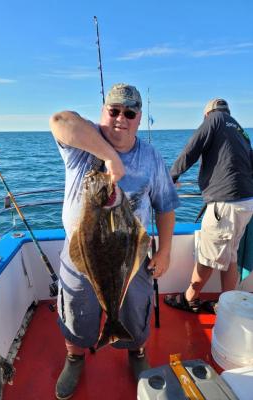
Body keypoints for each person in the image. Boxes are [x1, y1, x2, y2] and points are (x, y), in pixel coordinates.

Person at [50, 83, 179, 400]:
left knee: (135, 310)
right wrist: (109, 157)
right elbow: (59, 119)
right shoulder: (83, 145)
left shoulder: (150, 157)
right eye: (114, 110)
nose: (121, 118)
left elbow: (165, 205)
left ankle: (135, 352)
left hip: (131, 255)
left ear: (138, 118)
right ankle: (75, 357)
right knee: (77, 310)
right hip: (84, 253)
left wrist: (164, 251)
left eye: (130, 113)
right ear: (103, 112)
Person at [164, 98, 253, 314]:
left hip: (224, 205)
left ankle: (190, 298)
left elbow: (190, 150)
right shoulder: (240, 131)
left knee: (207, 256)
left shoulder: (213, 120)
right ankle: (228, 304)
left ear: (207, 114)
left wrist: (170, 177)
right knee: (231, 255)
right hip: (246, 203)